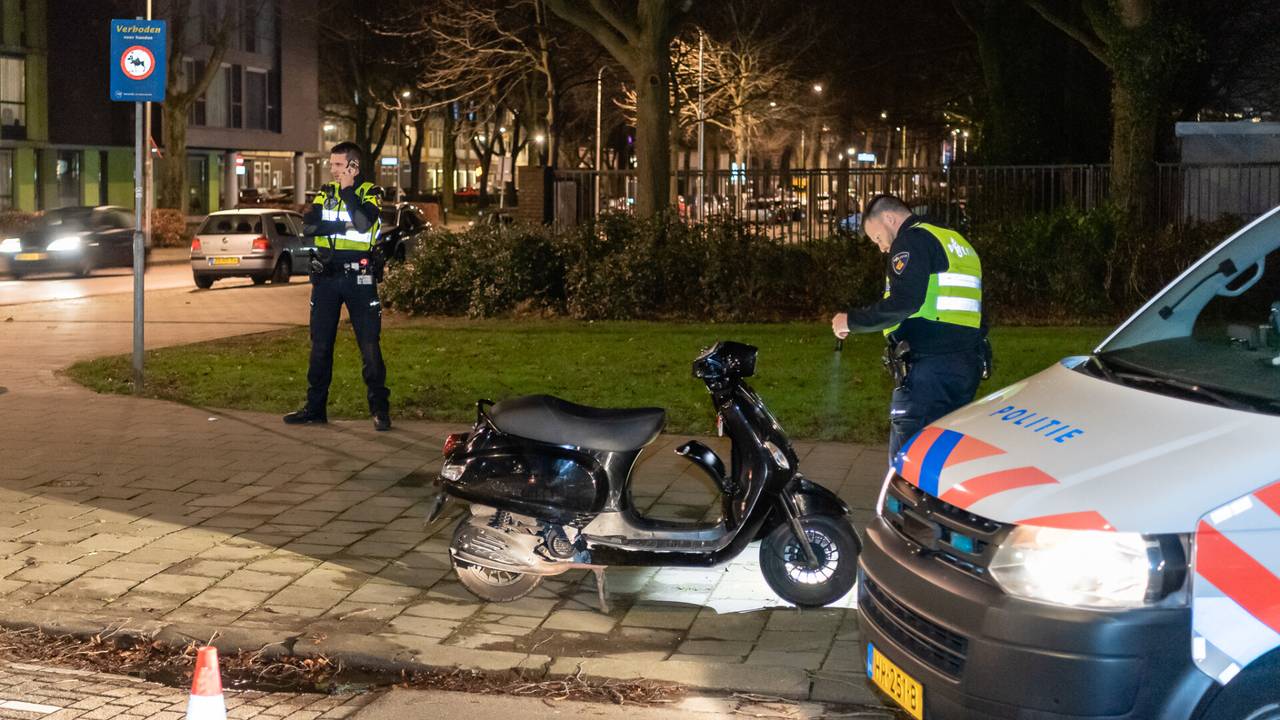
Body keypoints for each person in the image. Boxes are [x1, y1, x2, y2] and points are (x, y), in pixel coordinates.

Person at [831, 194, 989, 461]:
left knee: (911, 461)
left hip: (930, 369)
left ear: (889, 219)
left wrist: (852, 320)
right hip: (966, 364)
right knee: (946, 458)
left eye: (878, 238)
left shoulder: (911, 240)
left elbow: (905, 302)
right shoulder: (955, 241)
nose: (882, 248)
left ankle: (907, 504)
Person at [283, 141, 391, 431]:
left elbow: (364, 223)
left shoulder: (370, 193)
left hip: (360, 277)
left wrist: (347, 193)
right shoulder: (325, 193)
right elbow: (309, 227)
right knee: (319, 347)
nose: (332, 170)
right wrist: (344, 226)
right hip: (327, 278)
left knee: (369, 346)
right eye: (331, 164)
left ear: (354, 167)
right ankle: (315, 408)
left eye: (338, 165)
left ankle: (380, 409)